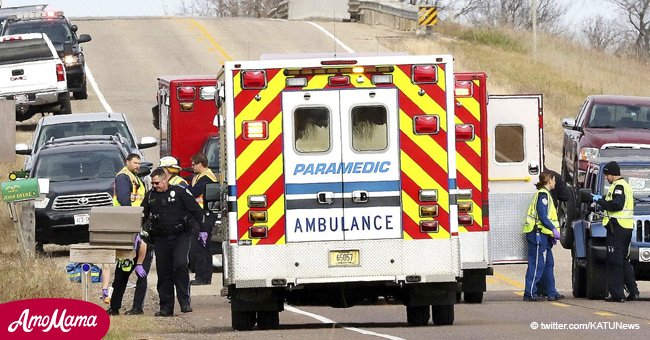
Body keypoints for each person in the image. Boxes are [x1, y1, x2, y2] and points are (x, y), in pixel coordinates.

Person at [142, 167, 206, 316]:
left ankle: (184, 302)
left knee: (180, 265)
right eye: (153, 183)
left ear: (165, 180)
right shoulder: (150, 196)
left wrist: (203, 229)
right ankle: (166, 307)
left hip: (180, 236)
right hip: (160, 238)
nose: (155, 186)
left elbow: (196, 210)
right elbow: (142, 215)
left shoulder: (179, 192)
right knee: (164, 272)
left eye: (157, 183)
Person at [592, 161, 639, 302]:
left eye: (607, 175)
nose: (606, 177)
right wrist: (603, 200)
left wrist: (600, 202)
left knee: (614, 261)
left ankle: (617, 294)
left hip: (617, 228)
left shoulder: (618, 186)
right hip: (626, 228)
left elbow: (616, 205)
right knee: (624, 260)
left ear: (612, 174)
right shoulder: (625, 185)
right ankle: (633, 291)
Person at [522, 171, 563, 302]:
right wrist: (553, 229)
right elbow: (543, 216)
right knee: (537, 264)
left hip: (544, 235)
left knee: (548, 263)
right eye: (554, 180)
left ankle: (551, 291)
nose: (555, 182)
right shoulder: (543, 195)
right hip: (537, 234)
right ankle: (530, 293)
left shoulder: (546, 194)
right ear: (549, 180)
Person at [105, 232, 153, 316]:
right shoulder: (115, 236)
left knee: (142, 277)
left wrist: (139, 264)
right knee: (119, 279)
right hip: (127, 253)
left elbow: (143, 246)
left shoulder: (134, 235)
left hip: (144, 250)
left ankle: (137, 308)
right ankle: (114, 308)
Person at [188, 153, 218, 286]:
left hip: (205, 217)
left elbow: (193, 193)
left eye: (194, 164)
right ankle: (204, 276)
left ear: (200, 164)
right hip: (204, 216)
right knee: (204, 247)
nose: (192, 167)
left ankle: (202, 276)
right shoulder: (202, 176)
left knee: (201, 247)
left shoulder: (205, 178)